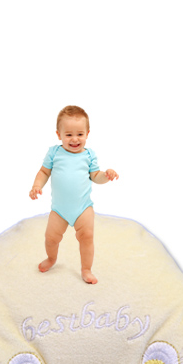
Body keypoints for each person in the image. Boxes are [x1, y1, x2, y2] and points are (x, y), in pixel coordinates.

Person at [29, 105, 119, 284]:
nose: (75, 139)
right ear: (59, 134)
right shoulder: (54, 152)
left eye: (80, 134)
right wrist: (37, 185)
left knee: (87, 237)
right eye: (69, 134)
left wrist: (106, 176)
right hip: (59, 210)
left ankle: (86, 269)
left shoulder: (89, 155)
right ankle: (51, 258)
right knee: (51, 238)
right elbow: (44, 172)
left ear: (87, 133)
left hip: (83, 208)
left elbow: (96, 176)